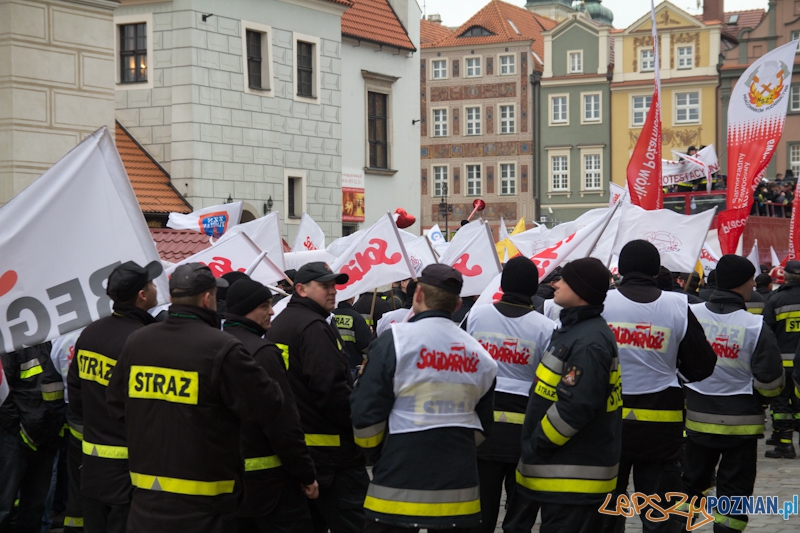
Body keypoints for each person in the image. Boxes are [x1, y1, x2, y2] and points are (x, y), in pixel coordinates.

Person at [106, 263, 284, 533]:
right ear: (207, 298)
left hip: (146, 500)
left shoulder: (137, 341)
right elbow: (269, 406)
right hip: (205, 504)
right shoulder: (221, 347)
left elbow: (116, 406)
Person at [351, 264, 497, 532]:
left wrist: (375, 454)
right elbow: (484, 423)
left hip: (396, 487)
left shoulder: (395, 341)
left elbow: (365, 412)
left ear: (417, 295)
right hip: (459, 492)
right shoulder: (480, 355)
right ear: (456, 305)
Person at [599, 241, 716, 533]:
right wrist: (674, 375)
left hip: (608, 423)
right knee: (661, 510)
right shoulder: (678, 306)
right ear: (655, 270)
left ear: (621, 269)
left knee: (606, 508)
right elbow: (703, 364)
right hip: (661, 426)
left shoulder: (601, 303)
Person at [504, 258, 621, 533]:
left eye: (564, 280)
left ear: (580, 290)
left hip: (572, 473)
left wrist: (539, 443)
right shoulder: (575, 331)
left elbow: (575, 407)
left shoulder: (589, 341)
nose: (555, 283)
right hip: (565, 471)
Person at [681, 255, 783, 532]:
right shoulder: (754, 326)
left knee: (690, 485)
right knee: (734, 494)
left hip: (696, 421)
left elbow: (678, 365)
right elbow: (771, 381)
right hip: (742, 426)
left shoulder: (692, 315)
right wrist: (760, 400)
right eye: (750, 279)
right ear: (743, 284)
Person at [267, 262, 369, 533]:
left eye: (334, 285)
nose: (333, 291)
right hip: (332, 457)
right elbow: (331, 391)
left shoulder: (281, 324)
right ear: (300, 289)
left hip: (301, 451)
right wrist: (357, 426)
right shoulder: (313, 327)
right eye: (324, 286)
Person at [67, 260, 162, 533]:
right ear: (142, 295)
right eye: (152, 284)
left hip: (94, 464)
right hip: (131, 468)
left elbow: (75, 395)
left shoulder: (91, 332)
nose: (156, 288)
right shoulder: (143, 339)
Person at [466, 257, 555, 533]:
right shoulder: (546, 328)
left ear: (502, 284)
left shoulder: (476, 316)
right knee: (519, 519)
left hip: (481, 433)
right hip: (525, 437)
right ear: (533, 289)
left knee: (480, 514)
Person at [223, 278, 319, 532]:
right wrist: (305, 473)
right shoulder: (262, 352)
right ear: (246, 309)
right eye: (265, 306)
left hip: (225, 483)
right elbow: (283, 421)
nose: (272, 311)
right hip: (271, 487)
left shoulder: (213, 346)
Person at [0, 341, 66, 533]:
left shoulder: (55, 342)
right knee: (5, 503)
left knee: (36, 505)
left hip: (47, 434)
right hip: (15, 436)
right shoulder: (11, 346)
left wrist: (55, 427)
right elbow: (3, 395)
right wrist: (18, 428)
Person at [762, 260, 800, 458]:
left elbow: (766, 333)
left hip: (783, 365)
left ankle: (785, 444)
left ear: (784, 277)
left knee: (782, 405)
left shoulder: (776, 300)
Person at [333, 297, 372, 375]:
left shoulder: (331, 316)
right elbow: (365, 346)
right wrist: (368, 332)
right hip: (352, 365)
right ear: (351, 298)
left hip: (333, 365)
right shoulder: (356, 317)